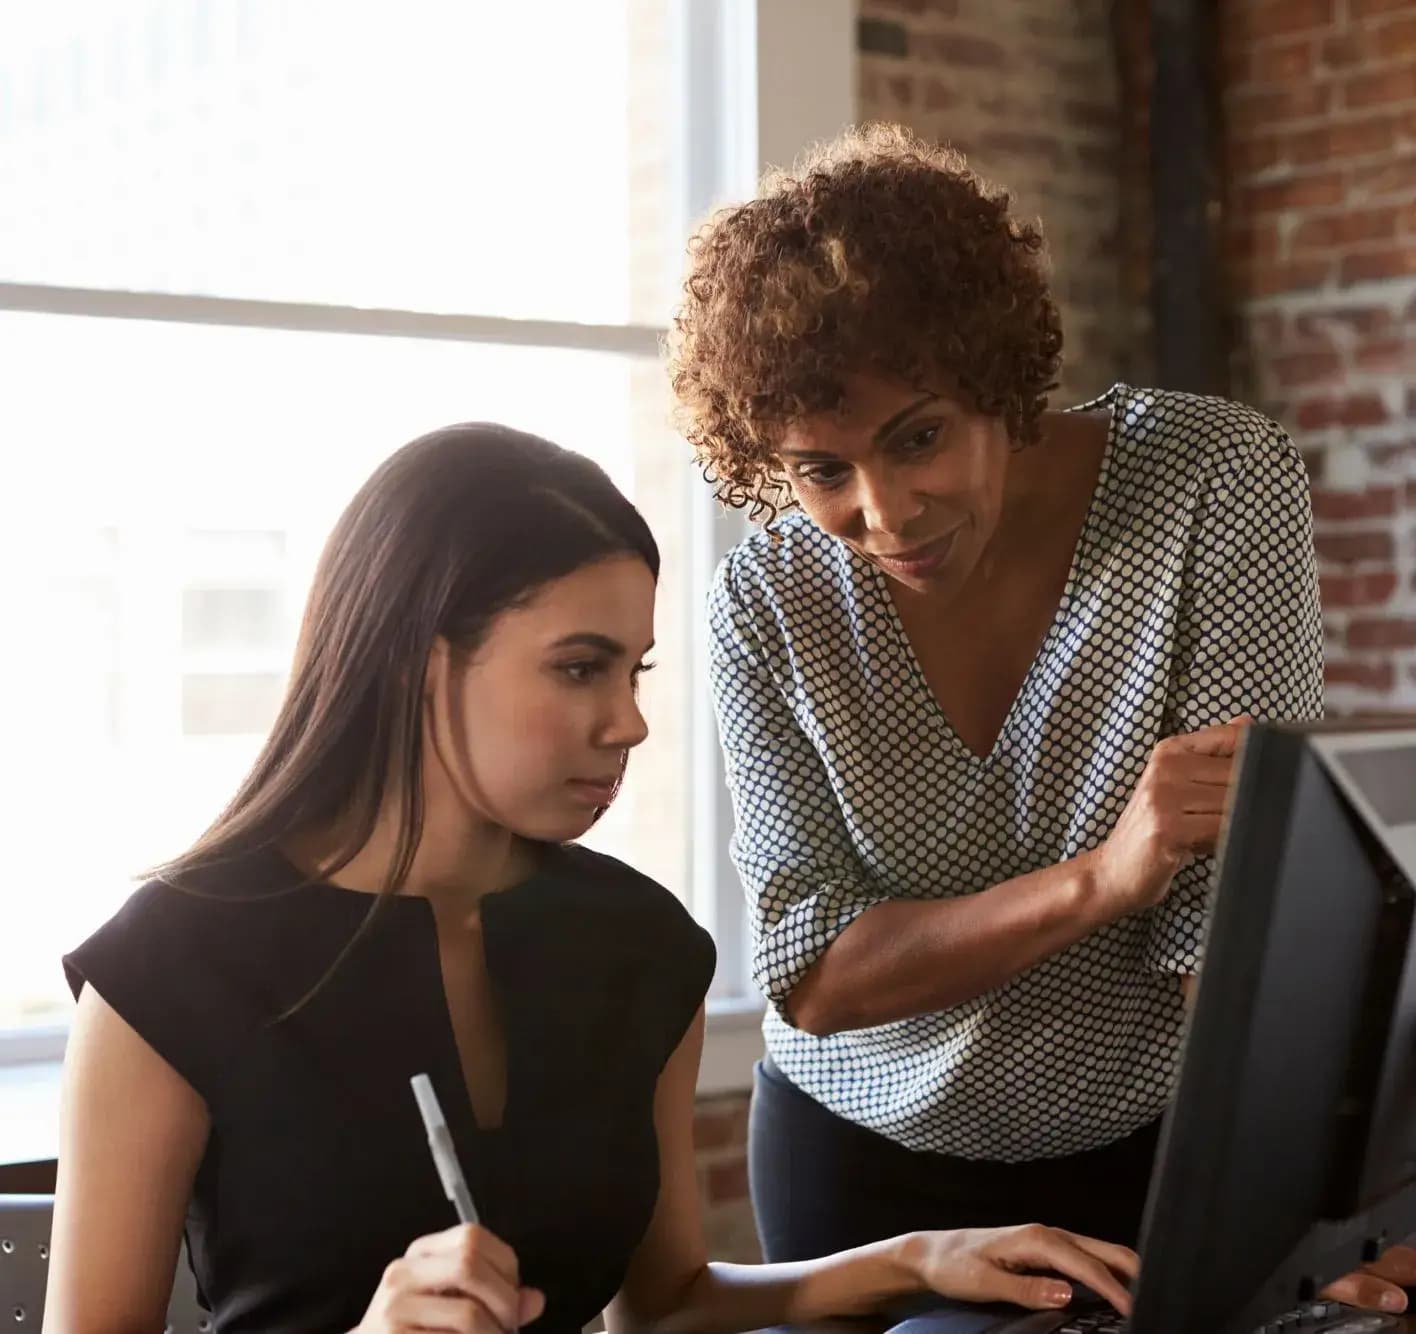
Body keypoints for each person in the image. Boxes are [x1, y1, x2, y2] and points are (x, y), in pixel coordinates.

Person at [44, 423, 1140, 1334]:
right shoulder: (167, 972)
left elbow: (663, 1302)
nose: (628, 722)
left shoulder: (640, 945)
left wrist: (919, 1257)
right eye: (579, 667)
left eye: (633, 670)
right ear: (420, 659)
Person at [668, 123, 1414, 1312]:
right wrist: (1106, 874)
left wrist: (1327, 1211)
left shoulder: (1214, 480)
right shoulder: (766, 601)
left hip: (1159, 1149)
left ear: (1002, 379)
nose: (886, 512)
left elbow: (1226, 916)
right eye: (820, 469)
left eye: (920, 436)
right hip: (861, 1166)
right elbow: (809, 965)